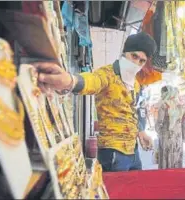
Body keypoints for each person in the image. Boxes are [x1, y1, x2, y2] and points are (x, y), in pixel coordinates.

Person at [34, 32, 156, 172]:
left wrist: (141, 131)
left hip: (133, 151)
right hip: (113, 152)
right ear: (124, 53)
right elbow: (92, 81)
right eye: (134, 56)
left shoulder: (135, 83)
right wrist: (70, 81)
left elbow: (132, 110)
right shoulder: (107, 74)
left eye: (142, 61)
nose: (136, 63)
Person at [155, 86, 185, 169]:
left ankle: (166, 178)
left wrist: (159, 132)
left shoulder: (164, 105)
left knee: (166, 157)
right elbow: (184, 125)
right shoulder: (182, 106)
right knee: (177, 157)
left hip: (166, 136)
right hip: (178, 137)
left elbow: (159, 122)